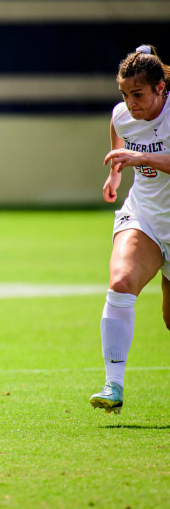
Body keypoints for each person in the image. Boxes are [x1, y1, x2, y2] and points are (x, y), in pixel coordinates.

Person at [92, 45, 170, 414]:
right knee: (121, 281)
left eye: (138, 94)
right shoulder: (123, 114)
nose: (130, 103)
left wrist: (139, 157)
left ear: (160, 88)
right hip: (146, 215)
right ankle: (113, 385)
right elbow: (117, 124)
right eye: (124, 94)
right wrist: (115, 171)